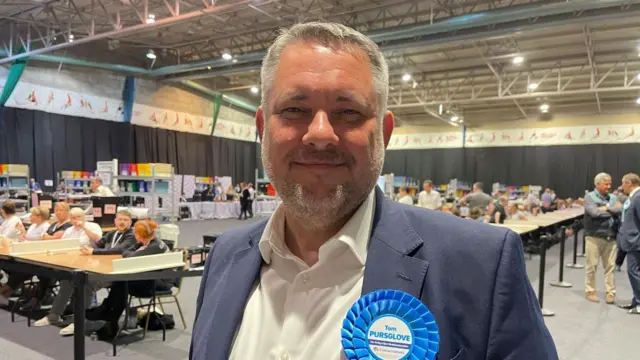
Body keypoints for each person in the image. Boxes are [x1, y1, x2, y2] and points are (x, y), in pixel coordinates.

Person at [190, 22, 557, 360]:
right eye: (295, 108)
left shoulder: (481, 266)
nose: (320, 134)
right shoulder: (226, 256)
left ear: (384, 133)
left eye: (348, 112)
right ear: (262, 128)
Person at [35, 208, 136, 335]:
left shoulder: (131, 235)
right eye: (120, 219)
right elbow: (99, 243)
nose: (122, 222)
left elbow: (120, 250)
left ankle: (79, 321)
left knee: (85, 284)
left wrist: (93, 252)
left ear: (130, 222)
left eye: (125, 220)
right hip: (101, 268)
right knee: (67, 280)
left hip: (115, 274)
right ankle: (54, 316)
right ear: (115, 221)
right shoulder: (112, 233)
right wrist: (89, 248)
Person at [86, 219, 171, 339]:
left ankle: (109, 316)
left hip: (160, 282)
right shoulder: (143, 243)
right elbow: (126, 252)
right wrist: (133, 251)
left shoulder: (155, 246)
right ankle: (109, 318)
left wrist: (132, 252)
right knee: (121, 283)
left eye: (135, 232)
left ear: (140, 235)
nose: (134, 234)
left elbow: (128, 255)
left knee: (122, 284)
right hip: (148, 277)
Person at [583, 172, 621, 304]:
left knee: (610, 266)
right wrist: (611, 210)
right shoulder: (589, 197)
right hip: (594, 237)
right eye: (606, 183)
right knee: (592, 266)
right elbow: (594, 213)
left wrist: (605, 208)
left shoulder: (612, 197)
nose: (609, 186)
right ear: (598, 184)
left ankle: (611, 293)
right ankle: (590, 291)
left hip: (611, 236)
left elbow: (620, 210)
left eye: (610, 183)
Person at [616, 173, 640, 314]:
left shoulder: (638, 197)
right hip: (632, 241)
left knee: (633, 272)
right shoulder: (634, 197)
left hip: (635, 242)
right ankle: (635, 301)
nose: (621, 186)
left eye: (623, 183)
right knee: (634, 272)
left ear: (629, 183)